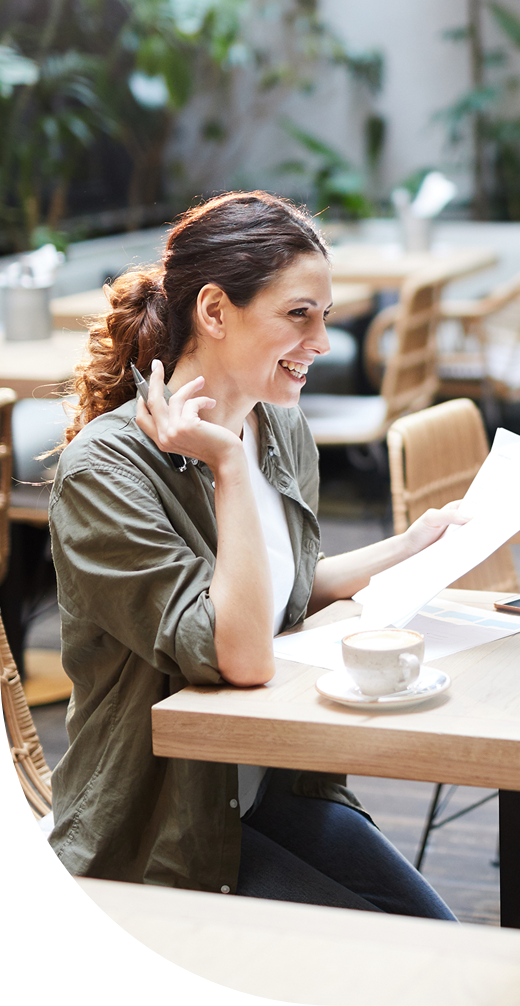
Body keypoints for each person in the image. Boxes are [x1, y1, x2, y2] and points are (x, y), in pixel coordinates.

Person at [47, 191, 459, 918]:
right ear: (214, 312)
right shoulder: (105, 473)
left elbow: (281, 593)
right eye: (299, 314)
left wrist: (415, 542)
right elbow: (240, 653)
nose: (323, 342)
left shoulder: (279, 426)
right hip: (164, 833)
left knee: (446, 940)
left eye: (324, 316)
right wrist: (228, 469)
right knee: (405, 961)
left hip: (276, 789)